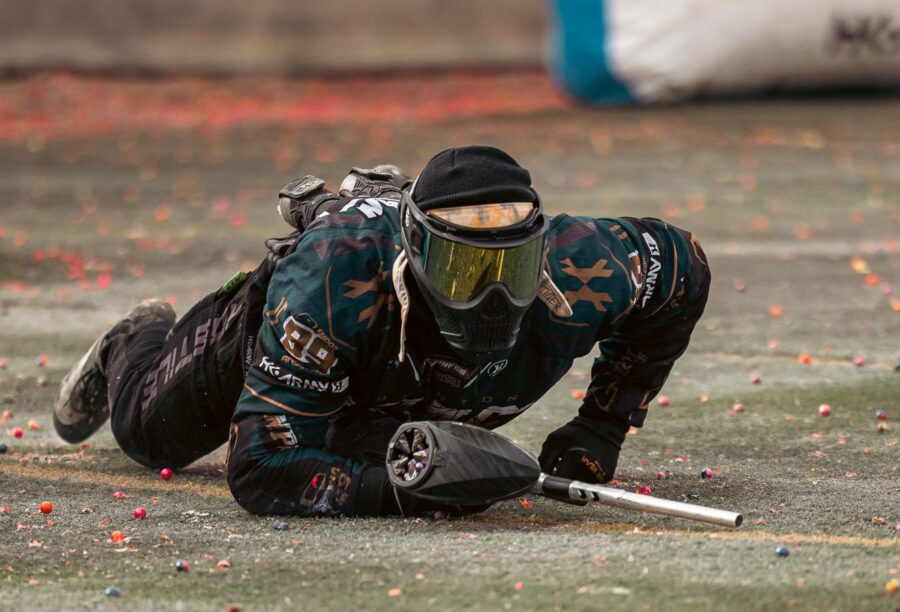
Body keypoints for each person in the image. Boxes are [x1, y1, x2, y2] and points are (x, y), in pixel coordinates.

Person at [53, 145, 710, 517]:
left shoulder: (587, 262)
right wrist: (402, 492)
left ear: (540, 251)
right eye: (463, 269)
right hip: (285, 350)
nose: (492, 298)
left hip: (388, 393)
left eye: (510, 268)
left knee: (360, 440)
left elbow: (684, 266)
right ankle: (133, 338)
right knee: (146, 432)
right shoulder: (327, 284)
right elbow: (258, 468)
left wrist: (603, 424)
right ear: (416, 252)